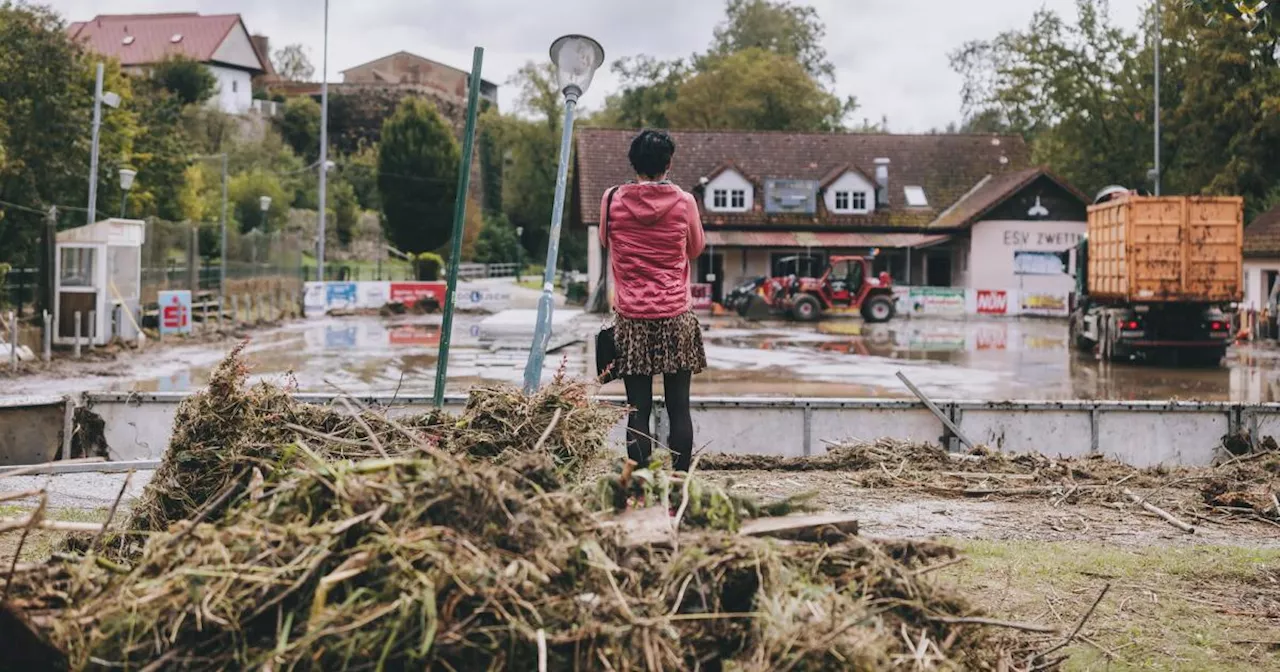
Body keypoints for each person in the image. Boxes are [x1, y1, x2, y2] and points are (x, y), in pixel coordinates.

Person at [600, 129, 706, 473]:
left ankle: (641, 486)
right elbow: (696, 248)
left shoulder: (611, 199)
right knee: (679, 408)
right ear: (669, 163)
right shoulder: (685, 202)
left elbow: (605, 239)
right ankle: (679, 484)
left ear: (633, 162)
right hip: (676, 314)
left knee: (637, 409)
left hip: (631, 318)